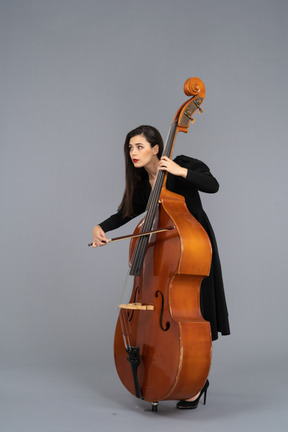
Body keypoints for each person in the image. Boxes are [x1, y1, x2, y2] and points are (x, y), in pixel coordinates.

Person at [92, 125, 230, 409]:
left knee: (198, 310)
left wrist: (180, 172)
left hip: (192, 248)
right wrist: (100, 227)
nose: (133, 153)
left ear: (156, 148)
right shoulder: (145, 187)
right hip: (169, 256)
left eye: (139, 146)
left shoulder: (182, 164)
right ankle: (177, 377)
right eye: (130, 148)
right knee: (177, 311)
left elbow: (213, 185)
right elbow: (126, 213)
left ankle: (196, 379)